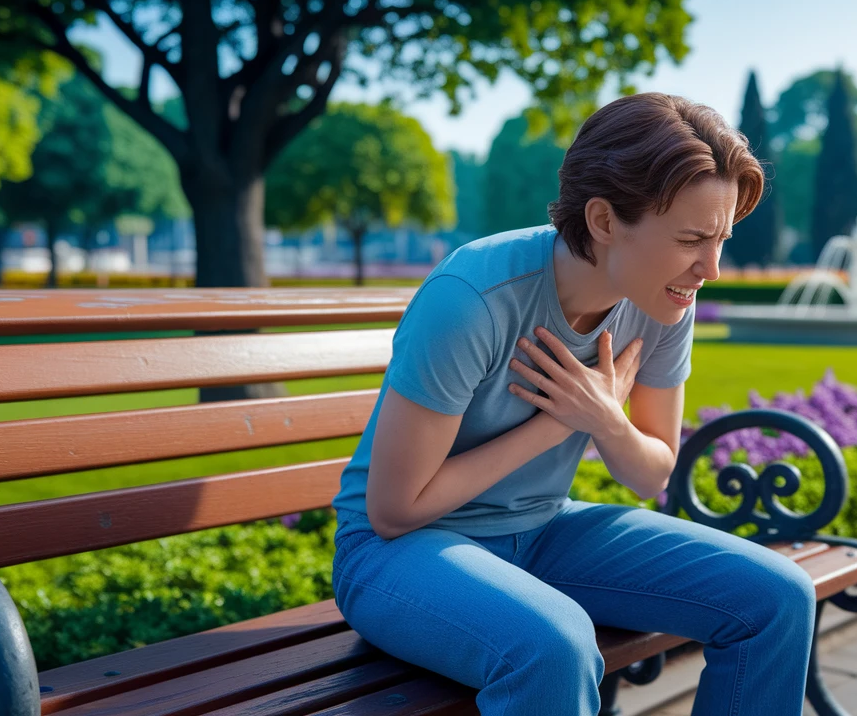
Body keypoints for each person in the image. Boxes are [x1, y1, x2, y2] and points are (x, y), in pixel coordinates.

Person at [330, 92, 817, 715]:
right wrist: (556, 424)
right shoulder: (474, 296)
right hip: (395, 556)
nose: (711, 268)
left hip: (540, 528)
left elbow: (651, 472)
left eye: (721, 238)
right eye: (692, 238)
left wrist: (608, 423)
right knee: (555, 647)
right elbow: (395, 511)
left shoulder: (666, 297)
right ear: (605, 221)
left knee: (778, 596)